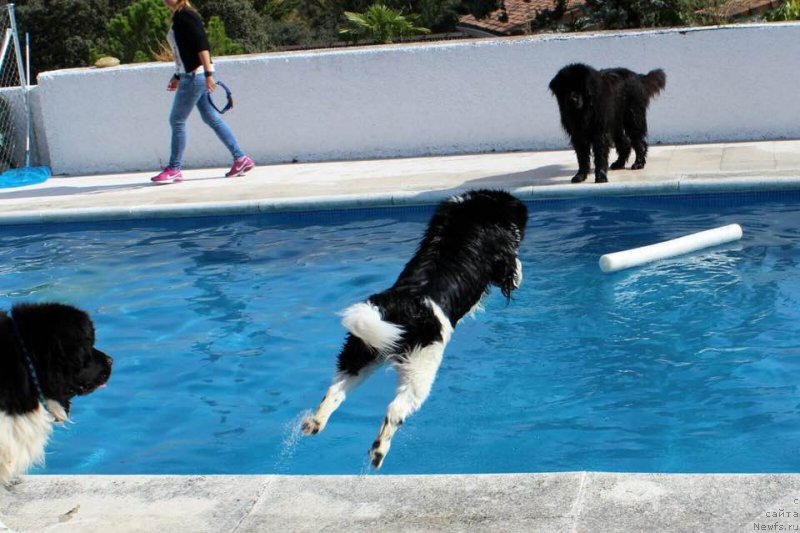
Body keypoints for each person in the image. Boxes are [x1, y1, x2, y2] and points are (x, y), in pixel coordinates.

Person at [151, 0, 254, 184]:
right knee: (211, 118)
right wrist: (177, 75)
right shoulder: (179, 15)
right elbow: (185, 51)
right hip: (190, 74)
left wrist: (208, 74)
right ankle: (241, 158)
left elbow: (202, 45)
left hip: (194, 76)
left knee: (177, 120)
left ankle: (174, 168)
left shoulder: (186, 14)